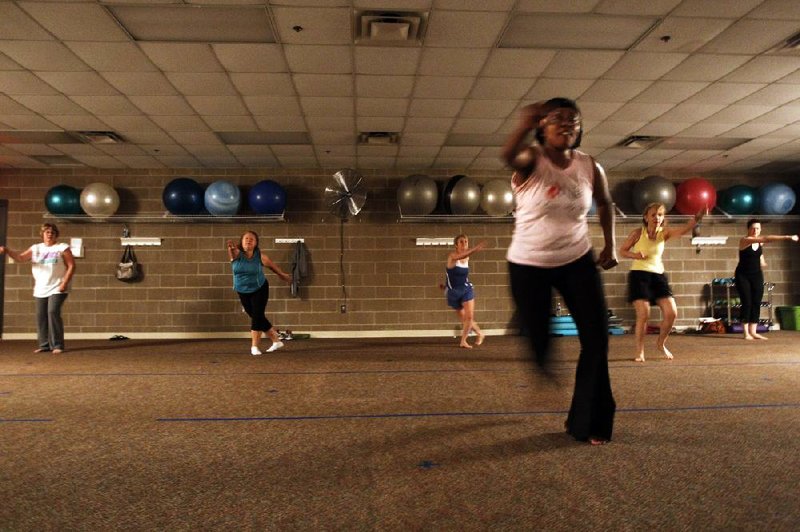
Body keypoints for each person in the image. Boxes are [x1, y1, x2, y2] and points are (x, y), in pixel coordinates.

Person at [502, 97, 618, 446]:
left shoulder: (590, 166)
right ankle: (538, 350)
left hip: (576, 260)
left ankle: (589, 422)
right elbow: (509, 156)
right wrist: (523, 123)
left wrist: (610, 244)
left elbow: (605, 203)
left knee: (597, 341)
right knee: (540, 342)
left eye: (574, 120)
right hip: (528, 264)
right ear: (543, 126)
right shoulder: (530, 161)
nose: (567, 124)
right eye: (558, 118)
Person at [619, 203, 705, 362]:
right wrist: (635, 255)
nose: (657, 218)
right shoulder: (637, 233)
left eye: (660, 215)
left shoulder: (664, 233)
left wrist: (697, 218)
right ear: (646, 217)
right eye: (653, 215)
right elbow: (622, 251)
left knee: (672, 313)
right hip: (639, 275)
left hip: (658, 276)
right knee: (644, 315)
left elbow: (683, 230)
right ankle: (640, 351)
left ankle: (661, 343)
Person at [0, 223, 75, 354]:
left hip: (57, 286)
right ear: (42, 234)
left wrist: (64, 282)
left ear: (56, 235)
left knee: (52, 312)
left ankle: (57, 345)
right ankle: (44, 344)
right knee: (41, 316)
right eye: (47, 232)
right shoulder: (36, 248)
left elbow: (71, 265)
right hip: (40, 287)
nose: (50, 234)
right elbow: (20, 258)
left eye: (52, 232)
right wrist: (7, 250)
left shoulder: (62, 247)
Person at [226, 230, 292, 355]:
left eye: (252, 239)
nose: (249, 240)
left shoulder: (260, 256)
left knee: (257, 316)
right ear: (241, 242)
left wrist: (282, 275)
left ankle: (254, 347)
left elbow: (273, 267)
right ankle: (276, 341)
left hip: (259, 288)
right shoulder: (235, 253)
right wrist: (231, 248)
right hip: (242, 290)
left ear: (256, 243)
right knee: (257, 316)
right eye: (246, 238)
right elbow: (233, 251)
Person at [735, 219, 799, 341]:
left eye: (758, 228)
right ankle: (745, 333)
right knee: (747, 302)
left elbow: (759, 252)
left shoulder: (759, 243)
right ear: (748, 229)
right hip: (743, 275)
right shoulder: (745, 240)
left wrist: (762, 260)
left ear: (761, 229)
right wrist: (787, 237)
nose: (755, 231)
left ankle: (753, 332)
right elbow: (765, 239)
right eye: (753, 228)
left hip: (756, 274)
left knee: (756, 302)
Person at [445, 234, 487, 349]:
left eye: (466, 242)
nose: (464, 244)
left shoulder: (467, 257)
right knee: (465, 319)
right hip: (454, 292)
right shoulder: (452, 256)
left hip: (466, 289)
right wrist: (445, 286)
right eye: (461, 242)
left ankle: (463, 341)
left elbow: (460, 276)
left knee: (469, 317)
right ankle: (480, 333)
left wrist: (471, 250)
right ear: (456, 245)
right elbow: (450, 275)